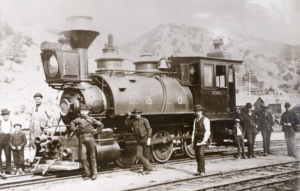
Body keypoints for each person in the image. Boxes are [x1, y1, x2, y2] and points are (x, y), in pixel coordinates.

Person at [70, 105, 104, 180]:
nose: (83, 113)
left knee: (92, 156)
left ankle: (94, 174)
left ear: (88, 112)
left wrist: (96, 132)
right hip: (81, 138)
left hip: (90, 137)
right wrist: (74, 128)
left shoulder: (91, 119)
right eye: (81, 111)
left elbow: (101, 125)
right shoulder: (78, 119)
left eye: (84, 111)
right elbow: (72, 122)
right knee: (83, 158)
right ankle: (87, 173)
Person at [125, 108, 153, 175]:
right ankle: (149, 167)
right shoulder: (133, 121)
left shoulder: (144, 120)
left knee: (146, 155)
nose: (136, 115)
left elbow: (149, 129)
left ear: (140, 114)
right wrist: (128, 116)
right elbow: (126, 123)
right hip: (139, 141)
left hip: (145, 139)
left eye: (137, 114)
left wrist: (149, 139)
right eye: (135, 114)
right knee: (138, 155)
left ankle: (145, 170)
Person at [191, 104, 211, 176]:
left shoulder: (205, 119)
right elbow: (194, 130)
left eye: (199, 111)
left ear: (201, 111)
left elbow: (207, 131)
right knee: (197, 155)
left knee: (200, 154)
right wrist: (192, 140)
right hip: (196, 139)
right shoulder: (195, 120)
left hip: (202, 139)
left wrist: (205, 140)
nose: (197, 113)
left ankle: (202, 171)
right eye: (196, 111)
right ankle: (198, 170)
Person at [0, 108, 13, 178]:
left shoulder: (11, 122)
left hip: (8, 138)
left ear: (8, 115)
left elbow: (12, 131)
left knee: (8, 154)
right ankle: (0, 170)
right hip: (0, 138)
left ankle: (8, 170)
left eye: (7, 115)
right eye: (4, 115)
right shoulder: (0, 121)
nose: (5, 116)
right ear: (2, 116)